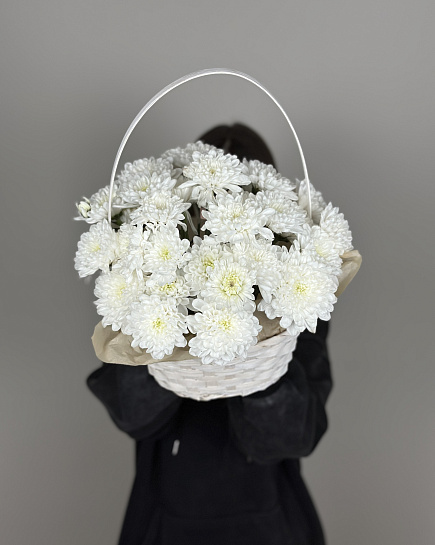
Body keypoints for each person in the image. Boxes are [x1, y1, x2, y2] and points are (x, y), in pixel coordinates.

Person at [86, 124, 333, 545]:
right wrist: (171, 323)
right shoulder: (143, 285)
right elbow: (131, 413)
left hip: (269, 522)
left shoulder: (299, 298)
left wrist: (256, 349)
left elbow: (295, 435)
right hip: (166, 517)